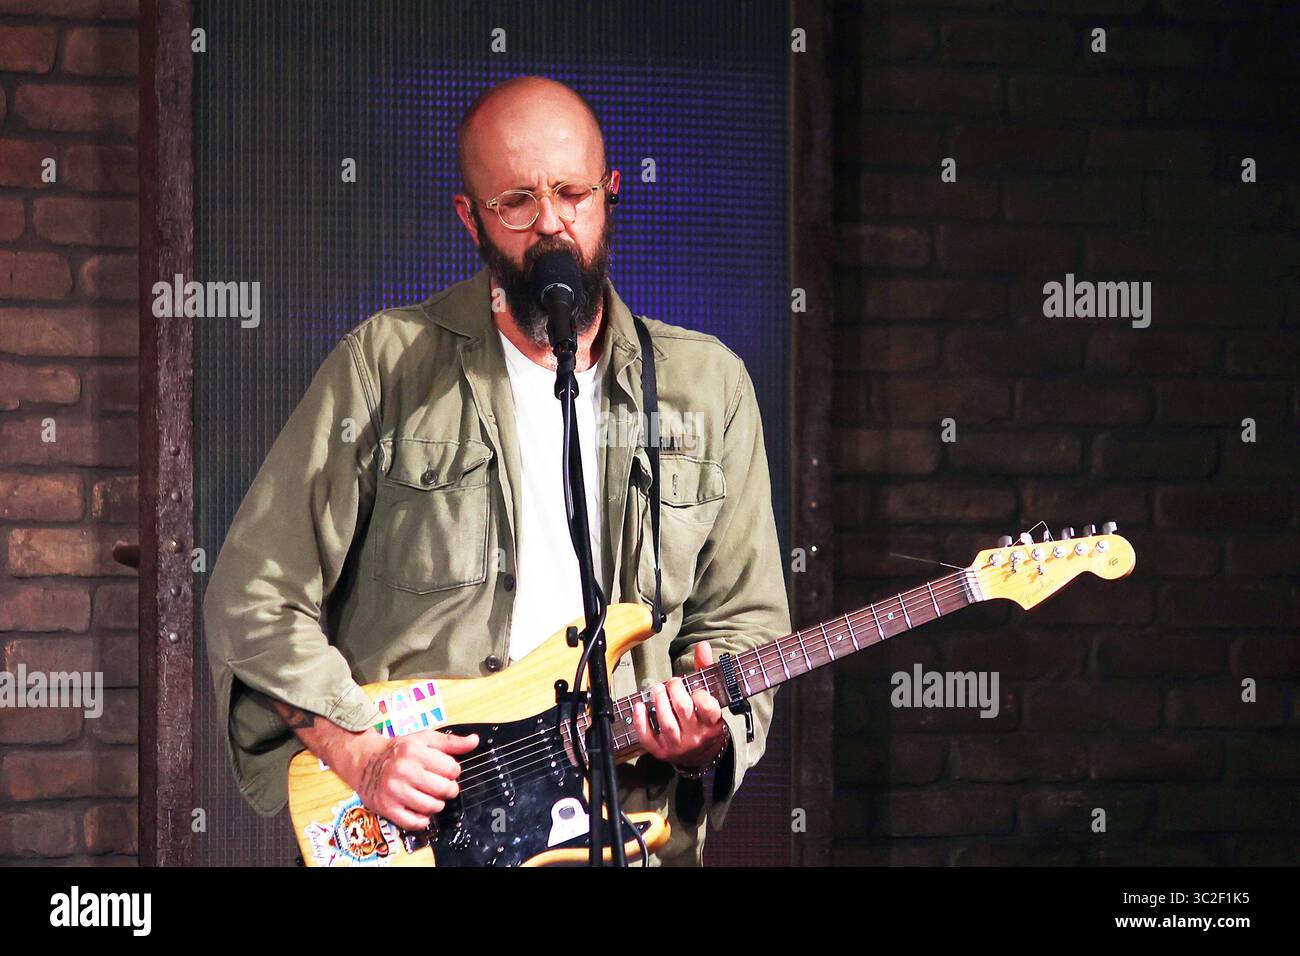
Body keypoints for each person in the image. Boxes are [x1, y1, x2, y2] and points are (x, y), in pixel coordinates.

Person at [202, 74, 790, 865]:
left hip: (624, 832)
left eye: (573, 193)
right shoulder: (385, 367)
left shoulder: (707, 386)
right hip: (429, 834)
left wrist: (703, 741)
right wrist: (360, 750)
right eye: (516, 201)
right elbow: (253, 596)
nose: (552, 224)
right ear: (468, 217)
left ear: (611, 193)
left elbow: (744, 622)